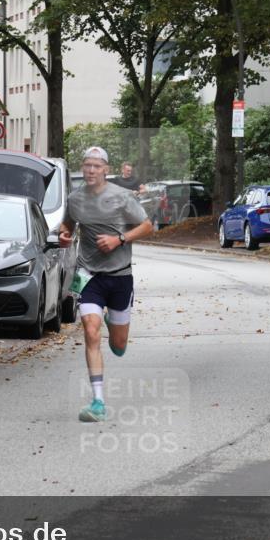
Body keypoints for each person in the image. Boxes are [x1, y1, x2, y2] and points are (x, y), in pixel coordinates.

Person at [61, 147, 154, 422]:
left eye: (96, 166)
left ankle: (115, 323)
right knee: (91, 332)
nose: (91, 170)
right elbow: (68, 226)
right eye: (87, 165)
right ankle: (98, 401)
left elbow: (147, 226)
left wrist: (119, 240)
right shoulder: (75, 199)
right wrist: (64, 235)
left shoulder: (122, 197)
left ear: (106, 170)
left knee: (119, 344)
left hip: (120, 275)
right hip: (89, 274)